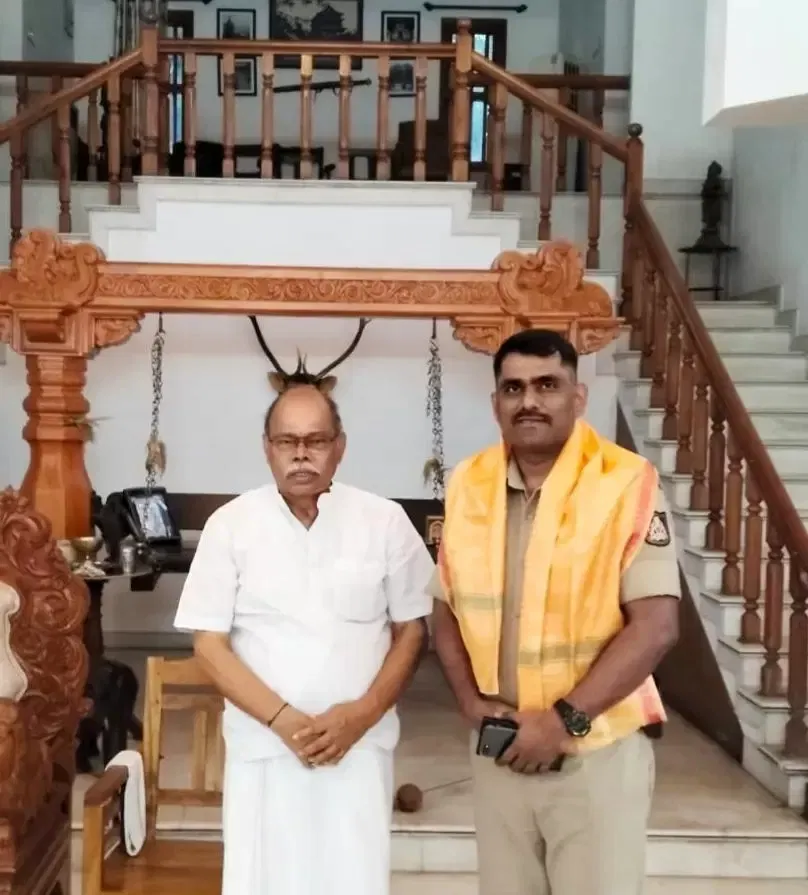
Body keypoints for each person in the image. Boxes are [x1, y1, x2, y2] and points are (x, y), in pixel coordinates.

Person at [431, 328, 681, 895]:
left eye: (547, 385)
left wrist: (562, 720)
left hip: (595, 753)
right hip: (500, 751)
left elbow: (657, 627)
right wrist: (469, 701)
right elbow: (444, 606)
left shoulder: (624, 482)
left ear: (578, 396)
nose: (530, 401)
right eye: (513, 388)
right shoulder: (469, 483)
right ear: (495, 403)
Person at [174, 384, 434, 895]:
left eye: (316, 440)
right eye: (286, 441)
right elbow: (208, 644)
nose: (300, 454)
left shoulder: (384, 522)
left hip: (358, 748)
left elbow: (413, 631)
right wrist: (283, 720)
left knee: (353, 880)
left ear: (340, 446)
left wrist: (360, 716)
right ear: (266, 447)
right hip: (264, 748)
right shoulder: (230, 526)